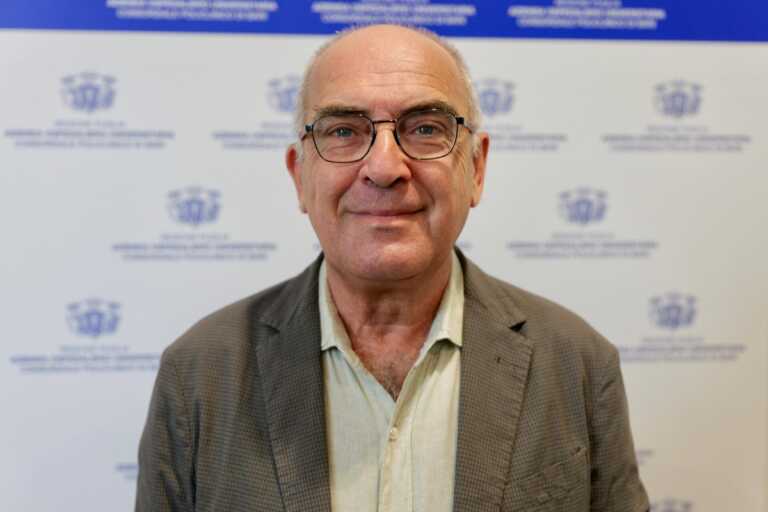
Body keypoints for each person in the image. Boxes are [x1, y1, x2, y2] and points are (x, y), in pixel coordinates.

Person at [136, 24, 649, 512]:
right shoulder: (200, 373)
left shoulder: (577, 363)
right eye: (343, 130)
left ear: (476, 168)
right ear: (299, 176)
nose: (383, 168)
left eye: (425, 128)